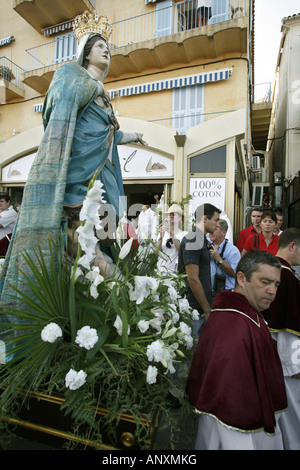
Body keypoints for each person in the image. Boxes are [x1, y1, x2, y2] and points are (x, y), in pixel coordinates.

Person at [0, 11, 146, 324]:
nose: (106, 50)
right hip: (77, 182)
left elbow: (109, 134)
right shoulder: (72, 77)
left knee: (110, 244)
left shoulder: (103, 95)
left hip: (103, 178)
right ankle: (104, 310)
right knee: (89, 258)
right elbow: (58, 109)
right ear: (84, 53)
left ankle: (101, 318)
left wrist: (135, 135)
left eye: (108, 47)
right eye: (99, 46)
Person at [186, 250, 287, 450]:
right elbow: (233, 406)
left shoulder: (239, 310)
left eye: (276, 284)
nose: (273, 291)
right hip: (237, 428)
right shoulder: (235, 326)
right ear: (241, 278)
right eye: (265, 282)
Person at [263, 228, 300, 450]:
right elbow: (288, 325)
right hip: (288, 361)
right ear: (293, 246)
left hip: (277, 354)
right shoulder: (285, 275)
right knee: (292, 413)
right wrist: (294, 363)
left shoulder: (273, 267)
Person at [178, 203, 221, 335]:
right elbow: (192, 278)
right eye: (216, 220)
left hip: (199, 307)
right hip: (194, 308)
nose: (218, 224)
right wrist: (207, 309)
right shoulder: (193, 239)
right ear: (205, 218)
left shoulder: (200, 239)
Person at [208, 219, 241, 299]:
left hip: (226, 295)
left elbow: (235, 273)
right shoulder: (206, 247)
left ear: (224, 232)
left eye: (215, 228)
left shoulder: (233, 251)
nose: (211, 231)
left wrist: (219, 259)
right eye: (211, 228)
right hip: (208, 294)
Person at [156, 204, 187, 274]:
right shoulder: (162, 233)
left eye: (174, 214)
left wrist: (172, 234)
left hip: (174, 273)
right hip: (159, 271)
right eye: (170, 214)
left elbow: (180, 252)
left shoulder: (184, 235)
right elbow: (156, 253)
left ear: (179, 218)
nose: (171, 216)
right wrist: (161, 236)